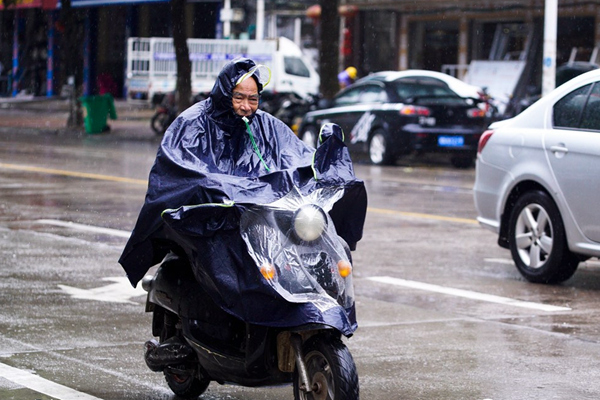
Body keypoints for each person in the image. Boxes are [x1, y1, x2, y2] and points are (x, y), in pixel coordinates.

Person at [119, 58, 367, 327]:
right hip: (219, 222)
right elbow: (183, 172)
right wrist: (224, 191)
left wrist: (324, 168)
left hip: (265, 220)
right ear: (225, 93)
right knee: (227, 262)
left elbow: (295, 156)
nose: (246, 106)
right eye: (239, 97)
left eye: (253, 98)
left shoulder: (266, 125)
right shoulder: (193, 124)